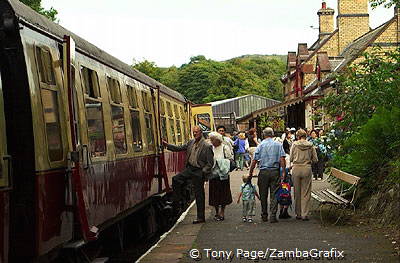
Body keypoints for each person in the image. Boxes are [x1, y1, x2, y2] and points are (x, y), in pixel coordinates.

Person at [163, 126, 214, 224]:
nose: (195, 134)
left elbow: (210, 163)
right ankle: (176, 203)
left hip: (199, 171)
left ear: (201, 132)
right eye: (193, 132)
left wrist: (203, 172)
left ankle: (200, 217)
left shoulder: (207, 146)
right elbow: (179, 148)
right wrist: (167, 145)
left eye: (196, 132)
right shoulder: (191, 142)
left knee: (199, 195)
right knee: (176, 179)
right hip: (190, 169)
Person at [249, 127, 286, 223]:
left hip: (263, 172)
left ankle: (264, 214)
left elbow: (254, 160)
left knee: (263, 194)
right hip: (275, 171)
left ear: (264, 135)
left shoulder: (260, 145)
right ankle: (273, 215)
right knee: (274, 194)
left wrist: (250, 172)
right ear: (272, 134)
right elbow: (282, 159)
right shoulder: (278, 145)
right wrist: (283, 172)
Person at [290, 129, 318, 221]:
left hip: (296, 168)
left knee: (297, 192)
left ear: (298, 136)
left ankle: (298, 213)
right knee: (306, 192)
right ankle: (304, 213)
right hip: (306, 168)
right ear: (306, 136)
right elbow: (315, 159)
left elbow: (290, 158)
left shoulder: (294, 144)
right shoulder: (310, 145)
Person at [208, 132, 233, 221]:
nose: (211, 141)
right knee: (214, 194)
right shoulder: (210, 148)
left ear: (217, 140)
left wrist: (221, 162)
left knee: (223, 194)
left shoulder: (224, 148)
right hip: (213, 174)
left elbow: (230, 159)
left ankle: (222, 212)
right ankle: (216, 212)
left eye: (212, 140)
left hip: (223, 174)